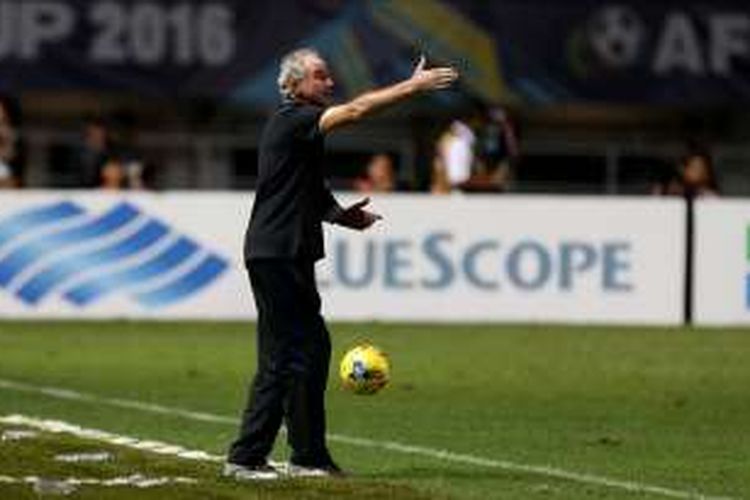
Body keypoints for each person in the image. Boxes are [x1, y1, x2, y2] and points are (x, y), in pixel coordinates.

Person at [225, 48, 457, 480]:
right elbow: (355, 110)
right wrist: (411, 87)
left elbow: (306, 186)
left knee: (309, 349)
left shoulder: (297, 129)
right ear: (294, 85)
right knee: (286, 356)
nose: (329, 83)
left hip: (283, 252)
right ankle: (247, 457)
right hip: (277, 254)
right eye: (319, 76)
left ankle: (306, 456)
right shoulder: (293, 118)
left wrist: (339, 216)